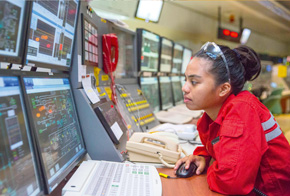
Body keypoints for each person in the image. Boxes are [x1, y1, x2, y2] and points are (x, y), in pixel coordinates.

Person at [174, 42, 290, 196]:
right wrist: (203, 157)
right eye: (186, 80)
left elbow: (231, 182)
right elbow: (217, 146)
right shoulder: (214, 114)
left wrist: (211, 165)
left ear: (223, 89)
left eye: (194, 82)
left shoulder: (241, 111)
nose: (185, 88)